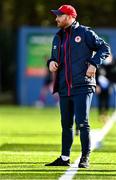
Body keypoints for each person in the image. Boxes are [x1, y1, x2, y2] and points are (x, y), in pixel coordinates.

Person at [45, 5, 110, 168]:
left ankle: (85, 158)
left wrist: (94, 64)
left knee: (82, 122)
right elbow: (54, 58)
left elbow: (104, 48)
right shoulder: (57, 37)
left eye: (59, 16)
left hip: (82, 85)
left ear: (69, 16)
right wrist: (51, 62)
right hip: (64, 87)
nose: (56, 19)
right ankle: (64, 158)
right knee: (66, 124)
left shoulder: (85, 33)